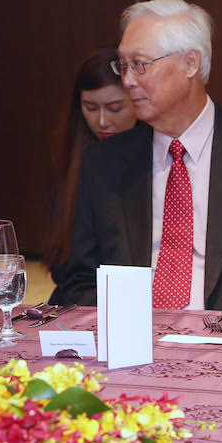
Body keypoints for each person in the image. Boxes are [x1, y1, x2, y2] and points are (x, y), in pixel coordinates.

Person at [49, 0, 222, 310]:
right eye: (123, 66)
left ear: (190, 64)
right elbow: (81, 279)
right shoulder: (105, 162)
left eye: (139, 64)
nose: (127, 80)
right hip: (133, 343)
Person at [43, 47, 137, 297]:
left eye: (115, 108)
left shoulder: (153, 157)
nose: (103, 121)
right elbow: (62, 262)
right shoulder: (71, 155)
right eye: (91, 108)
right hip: (79, 292)